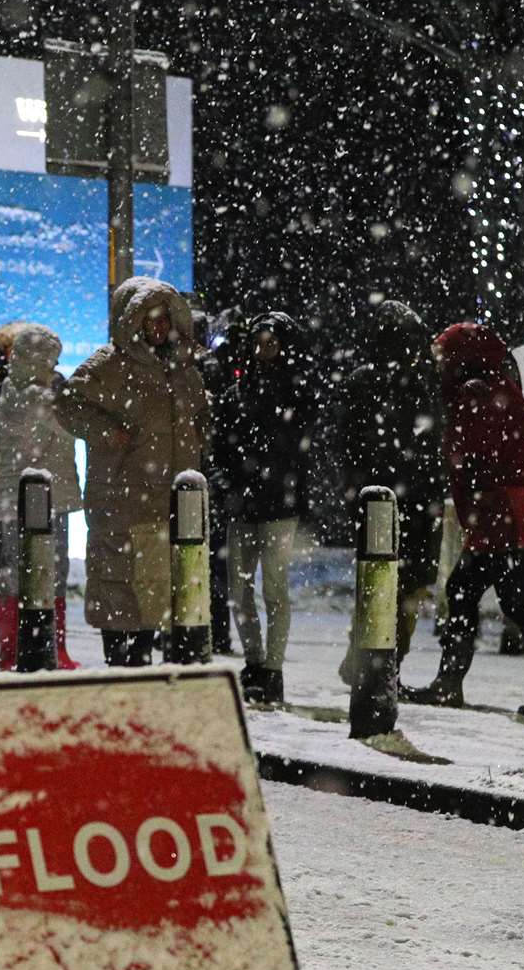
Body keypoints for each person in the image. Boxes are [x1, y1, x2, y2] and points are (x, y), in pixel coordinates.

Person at [403, 322, 524, 716]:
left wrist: (472, 498)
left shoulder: (478, 394)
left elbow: (478, 458)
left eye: (443, 356)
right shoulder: (496, 388)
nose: (438, 365)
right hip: (508, 510)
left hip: (501, 512)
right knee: (498, 596)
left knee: (494, 596)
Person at [55, 277, 210, 667]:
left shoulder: (182, 368)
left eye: (163, 321)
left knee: (156, 587)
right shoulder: (109, 365)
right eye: (149, 321)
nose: (157, 329)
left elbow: (201, 415)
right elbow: (69, 405)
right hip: (122, 496)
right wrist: (108, 433)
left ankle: (141, 659)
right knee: (121, 580)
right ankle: (123, 661)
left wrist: (202, 438)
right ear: (133, 322)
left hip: (168, 500)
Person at [334, 299, 446, 686]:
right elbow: (428, 446)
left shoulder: (372, 384)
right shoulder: (416, 384)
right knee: (399, 589)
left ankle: (373, 662)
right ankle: (382, 666)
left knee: (382, 585)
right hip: (407, 500)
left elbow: (350, 448)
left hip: (390, 500)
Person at [211, 311, 319, 704]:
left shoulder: (297, 391)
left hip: (276, 506)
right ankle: (256, 662)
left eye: (270, 343)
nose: (262, 351)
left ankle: (271, 669)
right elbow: (219, 446)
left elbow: (295, 450)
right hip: (246, 505)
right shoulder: (237, 393)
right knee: (240, 591)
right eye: (258, 343)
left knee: (273, 590)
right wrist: (228, 486)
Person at [0, 322, 82, 670]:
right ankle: (42, 647)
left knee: (26, 570)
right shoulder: (34, 397)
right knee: (40, 570)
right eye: (51, 361)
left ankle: (17, 647)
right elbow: (41, 442)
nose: (54, 368)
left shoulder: (10, 389)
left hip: (24, 496)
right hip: (37, 497)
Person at [191, 304, 237, 655]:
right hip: (211, 476)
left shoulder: (194, 369)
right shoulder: (214, 368)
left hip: (197, 474)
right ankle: (215, 630)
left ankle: (198, 626)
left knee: (197, 557)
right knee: (213, 561)